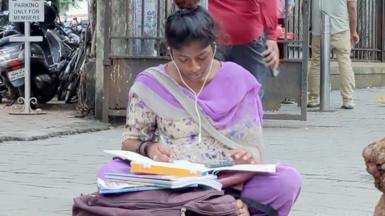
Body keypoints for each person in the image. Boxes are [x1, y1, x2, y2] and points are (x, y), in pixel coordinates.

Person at [97, 7, 302, 216]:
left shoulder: (238, 79)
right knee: (110, 173)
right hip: (169, 183)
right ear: (170, 51)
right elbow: (130, 142)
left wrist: (248, 158)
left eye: (202, 57)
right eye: (183, 59)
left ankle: (213, 206)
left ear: (214, 45)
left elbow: (254, 149)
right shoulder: (151, 84)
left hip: (229, 182)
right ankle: (221, 208)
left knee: (286, 181)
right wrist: (149, 148)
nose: (194, 67)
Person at [175, 0, 279, 97]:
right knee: (251, 94)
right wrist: (271, 35)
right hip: (245, 34)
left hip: (214, 33)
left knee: (213, 94)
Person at [308, 0, 359, 109]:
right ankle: (347, 99)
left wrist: (312, 25)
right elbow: (352, 6)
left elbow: (305, 6)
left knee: (316, 62)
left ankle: (314, 98)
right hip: (341, 27)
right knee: (344, 60)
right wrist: (354, 31)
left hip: (319, 28)